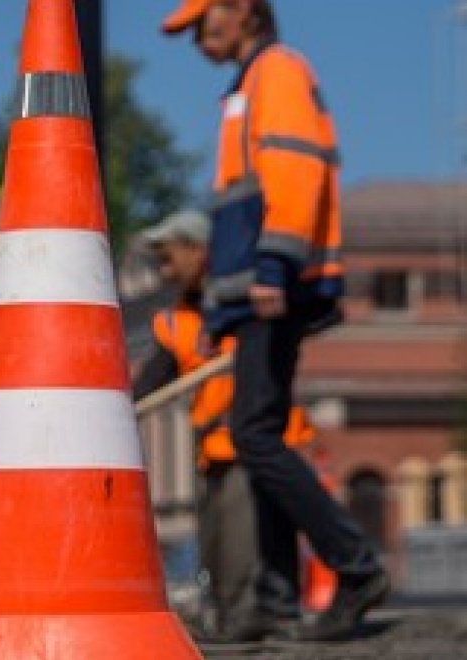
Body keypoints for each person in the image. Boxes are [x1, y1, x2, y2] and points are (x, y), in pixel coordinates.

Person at [162, 0, 387, 642]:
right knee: (258, 435)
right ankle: (277, 599)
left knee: (255, 434)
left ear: (246, 13)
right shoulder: (249, 83)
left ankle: (354, 565)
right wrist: (221, 306)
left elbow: (294, 170)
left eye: (205, 23)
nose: (198, 40)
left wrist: (274, 267)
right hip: (255, 290)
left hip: (273, 284)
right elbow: (243, 201)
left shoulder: (276, 72)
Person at [132, 209, 316, 640]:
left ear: (198, 251)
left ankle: (254, 626)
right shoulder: (176, 321)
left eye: (169, 257)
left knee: (244, 552)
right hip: (214, 452)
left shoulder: (241, 305)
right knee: (216, 550)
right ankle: (234, 626)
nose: (164, 271)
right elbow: (147, 385)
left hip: (258, 446)